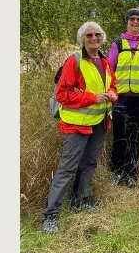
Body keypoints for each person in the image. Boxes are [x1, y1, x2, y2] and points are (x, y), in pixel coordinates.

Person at [42, 21, 118, 234]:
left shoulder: (104, 61)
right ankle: (51, 216)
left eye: (97, 35)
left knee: (89, 163)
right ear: (82, 40)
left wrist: (113, 94)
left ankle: (79, 200)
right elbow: (62, 95)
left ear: (102, 37)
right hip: (76, 124)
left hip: (100, 122)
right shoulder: (74, 61)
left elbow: (112, 84)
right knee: (67, 169)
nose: (94, 38)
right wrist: (94, 97)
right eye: (89, 35)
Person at [107, 8, 139, 187]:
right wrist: (110, 94)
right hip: (120, 99)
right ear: (127, 22)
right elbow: (109, 71)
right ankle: (116, 172)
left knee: (134, 137)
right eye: (132, 19)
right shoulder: (118, 44)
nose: (135, 22)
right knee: (119, 135)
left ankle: (131, 174)